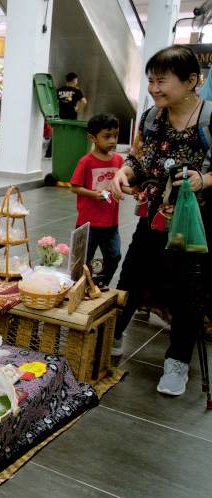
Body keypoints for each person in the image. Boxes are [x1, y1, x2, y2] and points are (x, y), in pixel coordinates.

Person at [111, 44, 212, 396]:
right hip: (154, 215)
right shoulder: (153, 117)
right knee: (131, 277)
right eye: (151, 80)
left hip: (194, 223)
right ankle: (112, 336)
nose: (154, 88)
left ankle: (178, 362)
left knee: (188, 291)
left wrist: (203, 179)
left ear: (191, 82)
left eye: (162, 81)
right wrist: (125, 171)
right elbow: (139, 158)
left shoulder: (208, 119)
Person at [70, 113, 123, 287]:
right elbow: (74, 187)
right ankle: (78, 287)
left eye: (115, 135)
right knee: (83, 259)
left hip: (111, 223)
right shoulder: (86, 162)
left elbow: (121, 184)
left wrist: (133, 190)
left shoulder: (119, 160)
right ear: (92, 138)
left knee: (114, 255)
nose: (112, 141)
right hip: (88, 223)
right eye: (107, 136)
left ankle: (100, 283)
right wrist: (95, 194)